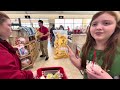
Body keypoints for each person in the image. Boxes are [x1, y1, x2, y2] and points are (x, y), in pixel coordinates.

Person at [67, 11, 120, 79]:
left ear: (116, 28)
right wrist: (77, 64)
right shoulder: (86, 48)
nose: (98, 27)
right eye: (94, 24)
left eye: (106, 23)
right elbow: (84, 69)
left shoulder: (117, 52)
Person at [0, 12, 37, 79]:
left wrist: (13, 53)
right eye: (9, 25)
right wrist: (30, 74)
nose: (11, 29)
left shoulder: (3, 43)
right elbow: (12, 76)